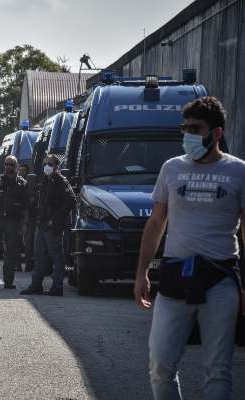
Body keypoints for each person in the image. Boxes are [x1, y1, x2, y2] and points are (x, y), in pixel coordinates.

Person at [133, 97, 245, 399]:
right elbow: (156, 223)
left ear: (217, 133)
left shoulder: (239, 171)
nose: (188, 135)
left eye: (196, 128)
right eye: (185, 129)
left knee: (218, 370)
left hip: (220, 281)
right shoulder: (172, 169)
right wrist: (142, 272)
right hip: (174, 278)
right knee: (160, 364)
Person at [21, 155, 76, 296]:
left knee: (57, 257)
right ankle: (36, 285)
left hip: (52, 226)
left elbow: (70, 201)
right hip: (42, 223)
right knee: (39, 255)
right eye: (45, 164)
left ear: (57, 166)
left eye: (50, 164)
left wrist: (55, 220)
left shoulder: (61, 181)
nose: (47, 166)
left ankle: (57, 287)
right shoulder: (46, 180)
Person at [0, 156, 29, 289]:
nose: (9, 167)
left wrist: (24, 224)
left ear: (16, 166)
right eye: (7, 164)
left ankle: (8, 282)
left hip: (13, 222)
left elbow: (26, 207)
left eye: (12, 165)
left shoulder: (22, 184)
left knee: (11, 252)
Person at [18, 164, 36, 272]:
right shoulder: (16, 184)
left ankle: (29, 263)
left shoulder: (32, 187)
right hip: (18, 218)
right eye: (20, 170)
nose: (22, 172)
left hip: (29, 218)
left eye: (24, 171)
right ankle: (17, 264)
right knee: (17, 242)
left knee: (29, 243)